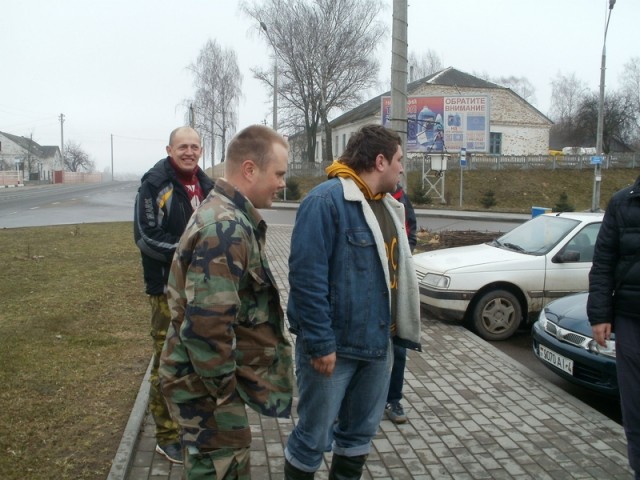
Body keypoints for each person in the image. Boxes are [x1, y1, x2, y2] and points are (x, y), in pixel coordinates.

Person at [284, 124, 422, 479]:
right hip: (335, 351)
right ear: (380, 161)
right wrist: (320, 343)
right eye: (399, 160)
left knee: (359, 437)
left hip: (379, 346)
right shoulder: (325, 201)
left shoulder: (388, 205)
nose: (402, 168)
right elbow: (307, 278)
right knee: (313, 439)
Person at [158, 125, 294, 479]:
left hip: (202, 382)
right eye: (279, 174)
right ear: (250, 169)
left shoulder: (227, 215)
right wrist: (225, 392)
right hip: (204, 388)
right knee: (220, 467)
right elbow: (207, 327)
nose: (282, 184)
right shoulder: (226, 227)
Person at [133, 126, 214, 464]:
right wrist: (190, 252)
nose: (189, 152)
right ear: (169, 150)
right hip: (166, 290)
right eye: (183, 147)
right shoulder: (154, 185)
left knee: (196, 361)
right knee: (165, 363)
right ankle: (166, 436)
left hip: (202, 290)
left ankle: (192, 426)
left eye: (194, 146)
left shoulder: (208, 186)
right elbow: (145, 237)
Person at [587, 175, 640, 480]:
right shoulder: (623, 203)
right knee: (635, 406)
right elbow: (603, 262)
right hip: (632, 319)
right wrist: (599, 315)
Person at [385, 183, 417, 425]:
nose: (401, 170)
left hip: (397, 287)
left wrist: (405, 255)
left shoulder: (401, 198)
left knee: (398, 349)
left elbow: (410, 231)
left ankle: (393, 399)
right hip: (374, 287)